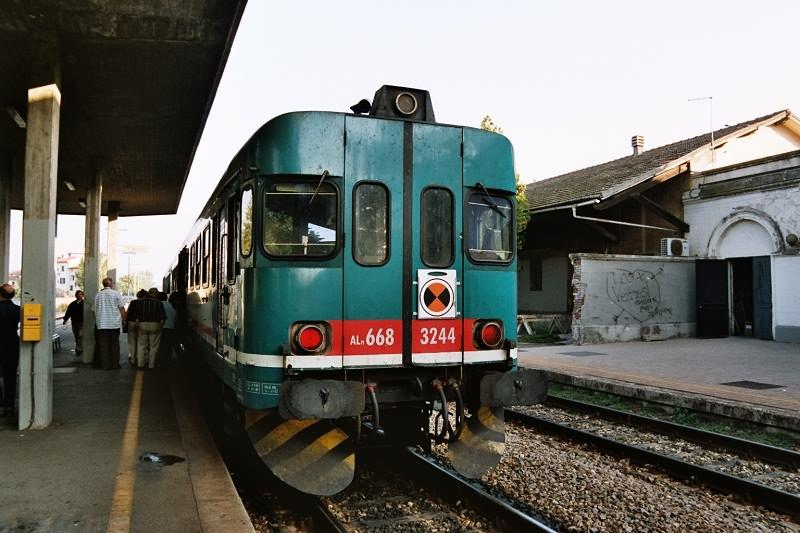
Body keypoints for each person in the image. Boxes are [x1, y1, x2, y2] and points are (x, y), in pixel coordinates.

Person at [94, 277, 126, 370]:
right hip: (114, 324)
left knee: (104, 346)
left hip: (101, 325)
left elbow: (94, 310)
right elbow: (122, 309)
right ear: (111, 284)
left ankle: (106, 365)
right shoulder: (116, 294)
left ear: (103, 284)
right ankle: (115, 364)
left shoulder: (98, 295)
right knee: (115, 345)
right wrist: (124, 320)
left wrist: (98, 320)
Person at [131, 288, 165, 369]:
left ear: (149, 293)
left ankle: (140, 364)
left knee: (141, 345)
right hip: (155, 325)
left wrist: (138, 324)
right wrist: (160, 327)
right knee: (153, 346)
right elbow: (162, 318)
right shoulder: (159, 303)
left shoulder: (140, 302)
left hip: (142, 324)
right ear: (156, 294)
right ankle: (151, 365)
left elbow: (136, 315)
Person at [0, 283, 20, 417]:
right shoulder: (18, 310)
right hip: (12, 345)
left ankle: (1, 404)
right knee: (10, 377)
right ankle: (10, 405)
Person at [125, 289, 148, 366]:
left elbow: (128, 312)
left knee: (132, 340)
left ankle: (132, 357)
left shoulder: (133, 302)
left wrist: (125, 321)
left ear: (138, 295)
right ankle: (139, 356)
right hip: (142, 323)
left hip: (131, 322)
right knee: (141, 341)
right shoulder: (146, 303)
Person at [62, 289, 85, 357]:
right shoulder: (72, 304)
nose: (79, 296)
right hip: (74, 322)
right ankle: (78, 348)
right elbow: (68, 312)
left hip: (82, 322)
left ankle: (79, 348)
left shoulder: (84, 304)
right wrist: (65, 320)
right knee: (76, 336)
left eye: (81, 294)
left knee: (80, 336)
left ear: (83, 295)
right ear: (75, 296)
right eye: (78, 294)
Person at [159, 291, 177, 365]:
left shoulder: (159, 304)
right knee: (169, 344)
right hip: (171, 327)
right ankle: (168, 359)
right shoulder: (171, 305)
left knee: (162, 344)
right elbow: (176, 318)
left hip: (163, 327)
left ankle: (162, 360)